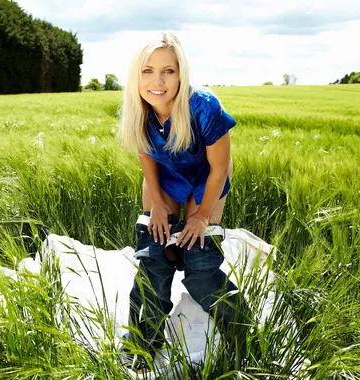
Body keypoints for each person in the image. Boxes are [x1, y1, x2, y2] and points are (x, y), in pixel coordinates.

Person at [118, 32, 250, 372]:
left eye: (168, 71)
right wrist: (158, 204)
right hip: (164, 176)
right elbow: (146, 156)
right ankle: (140, 347)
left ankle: (245, 339)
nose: (157, 81)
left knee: (200, 269)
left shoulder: (204, 106)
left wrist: (202, 215)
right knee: (154, 260)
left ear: (181, 73)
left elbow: (220, 167)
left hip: (206, 179)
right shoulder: (138, 108)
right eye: (147, 71)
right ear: (137, 76)